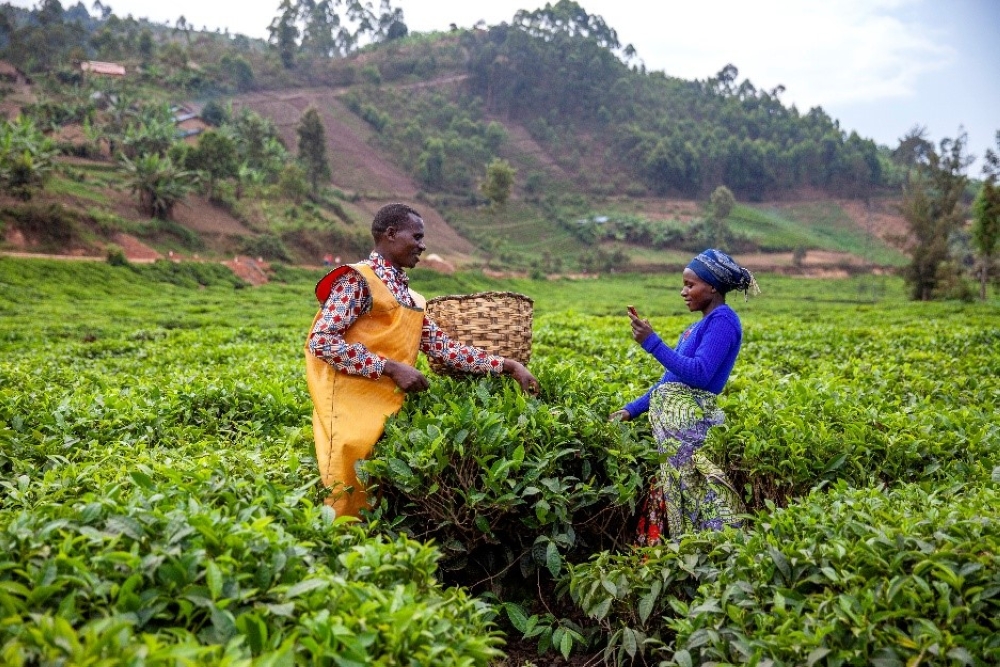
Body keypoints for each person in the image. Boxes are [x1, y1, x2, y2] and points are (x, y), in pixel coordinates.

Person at [305, 203, 539, 518]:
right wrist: (390, 367)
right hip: (349, 410)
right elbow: (321, 341)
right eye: (416, 236)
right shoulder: (357, 281)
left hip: (387, 411)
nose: (422, 245)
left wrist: (509, 366)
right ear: (390, 234)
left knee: (376, 503)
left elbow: (444, 348)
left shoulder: (411, 299)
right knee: (345, 499)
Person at [610, 249, 759, 545]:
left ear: (712, 287)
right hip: (675, 434)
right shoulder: (694, 328)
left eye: (690, 285)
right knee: (677, 495)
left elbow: (700, 374)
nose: (683, 292)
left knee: (701, 496)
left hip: (692, 428)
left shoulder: (724, 320)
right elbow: (670, 381)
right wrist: (629, 411)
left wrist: (652, 343)